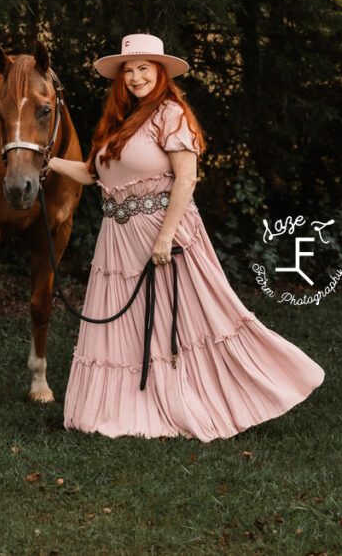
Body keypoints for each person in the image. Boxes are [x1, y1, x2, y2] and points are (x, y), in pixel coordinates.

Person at [47, 33, 325, 441]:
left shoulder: (171, 113)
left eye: (144, 68)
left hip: (162, 235)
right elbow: (92, 174)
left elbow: (186, 178)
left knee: (193, 320)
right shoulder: (118, 122)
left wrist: (166, 236)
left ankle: (227, 392)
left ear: (160, 72)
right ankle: (123, 407)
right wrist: (48, 162)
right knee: (126, 324)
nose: (136, 76)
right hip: (118, 240)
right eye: (129, 70)